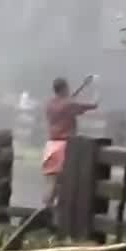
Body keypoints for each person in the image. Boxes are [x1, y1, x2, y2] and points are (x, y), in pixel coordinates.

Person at [42, 77, 98, 206]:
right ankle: (56, 213)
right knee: (65, 183)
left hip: (51, 145)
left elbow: (68, 101)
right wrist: (97, 96)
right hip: (64, 146)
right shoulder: (69, 104)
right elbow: (92, 105)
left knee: (51, 182)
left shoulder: (50, 104)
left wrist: (83, 85)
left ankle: (46, 209)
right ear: (64, 89)